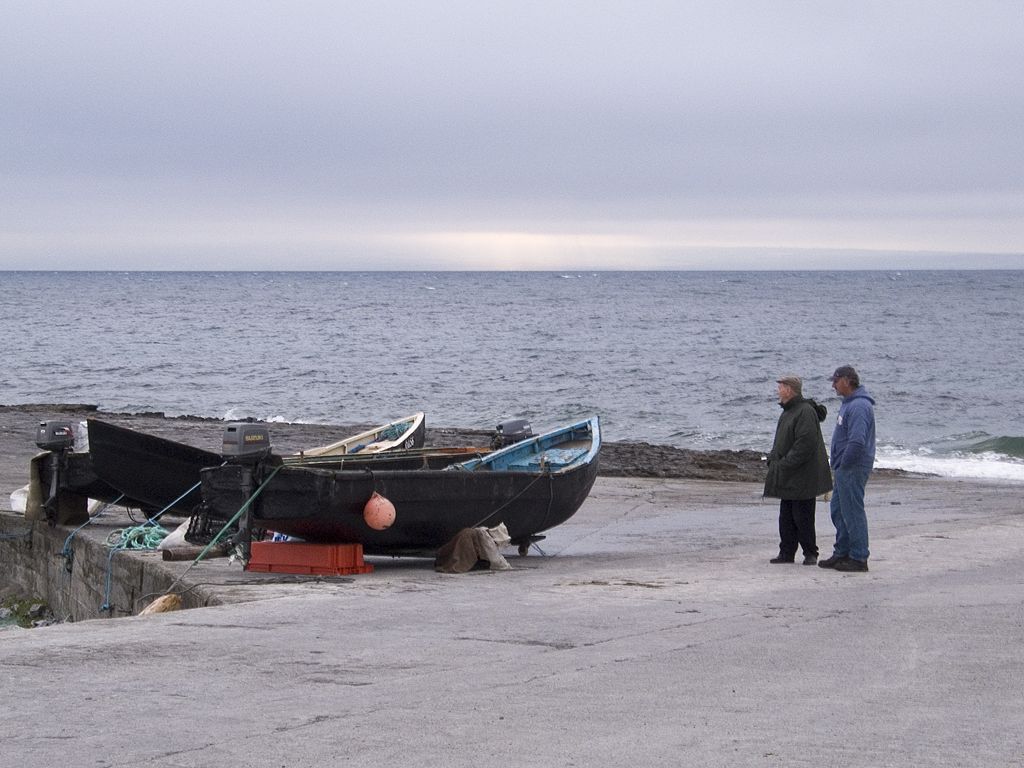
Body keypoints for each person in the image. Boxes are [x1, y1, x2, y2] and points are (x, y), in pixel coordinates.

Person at [763, 375, 833, 565]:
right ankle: (786, 553)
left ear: (789, 389)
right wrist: (773, 459)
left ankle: (810, 553)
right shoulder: (788, 411)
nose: (778, 390)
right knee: (786, 516)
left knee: (803, 516)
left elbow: (805, 444)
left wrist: (785, 463)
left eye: (781, 386)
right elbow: (781, 441)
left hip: (803, 475)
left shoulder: (804, 411)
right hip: (789, 473)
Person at [820, 365, 876, 572]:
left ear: (847, 380)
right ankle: (842, 552)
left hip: (853, 466)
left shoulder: (860, 406)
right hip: (844, 467)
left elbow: (857, 441)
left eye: (836, 381)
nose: (833, 385)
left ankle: (859, 557)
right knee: (838, 510)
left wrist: (844, 463)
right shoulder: (848, 404)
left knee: (852, 511)